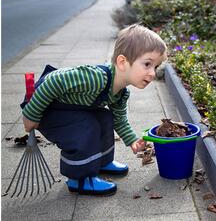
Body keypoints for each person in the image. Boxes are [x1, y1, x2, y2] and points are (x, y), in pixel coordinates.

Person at [22, 24, 167, 196]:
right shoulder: (96, 77)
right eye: (147, 64)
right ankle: (80, 178)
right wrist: (31, 114)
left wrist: (132, 141)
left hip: (70, 110)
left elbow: (119, 119)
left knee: (105, 117)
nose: (152, 73)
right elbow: (53, 81)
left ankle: (101, 162)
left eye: (155, 67)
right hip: (45, 107)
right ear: (122, 62)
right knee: (86, 125)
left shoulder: (121, 93)